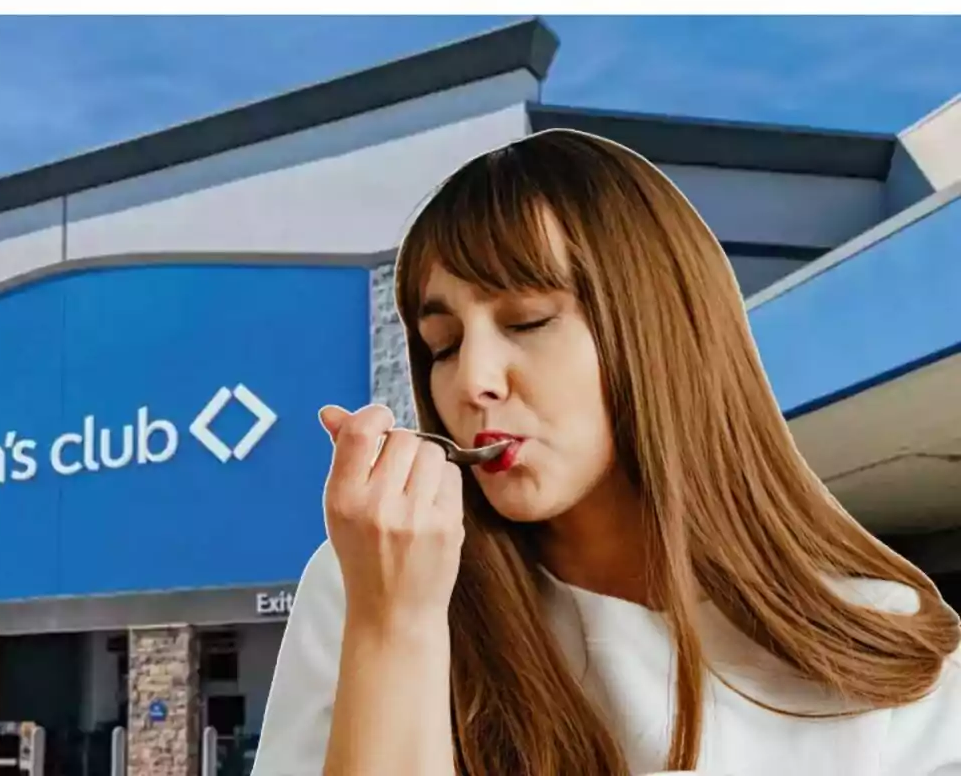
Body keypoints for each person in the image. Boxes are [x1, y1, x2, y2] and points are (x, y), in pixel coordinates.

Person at [249, 129, 961, 776]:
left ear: (659, 331)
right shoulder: (367, 585)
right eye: (445, 345)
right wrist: (396, 628)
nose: (472, 382)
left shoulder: (887, 655)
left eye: (526, 321)